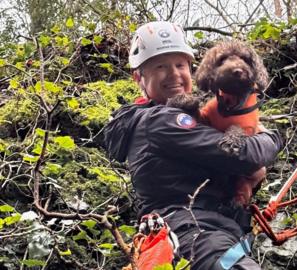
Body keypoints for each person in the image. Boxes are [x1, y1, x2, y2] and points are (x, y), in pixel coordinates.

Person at [103, 21, 284, 270]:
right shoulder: (160, 120)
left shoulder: (184, 119)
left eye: (180, 65)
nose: (174, 75)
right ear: (139, 78)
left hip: (204, 235)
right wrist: (272, 137)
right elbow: (243, 155)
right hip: (196, 235)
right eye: (160, 67)